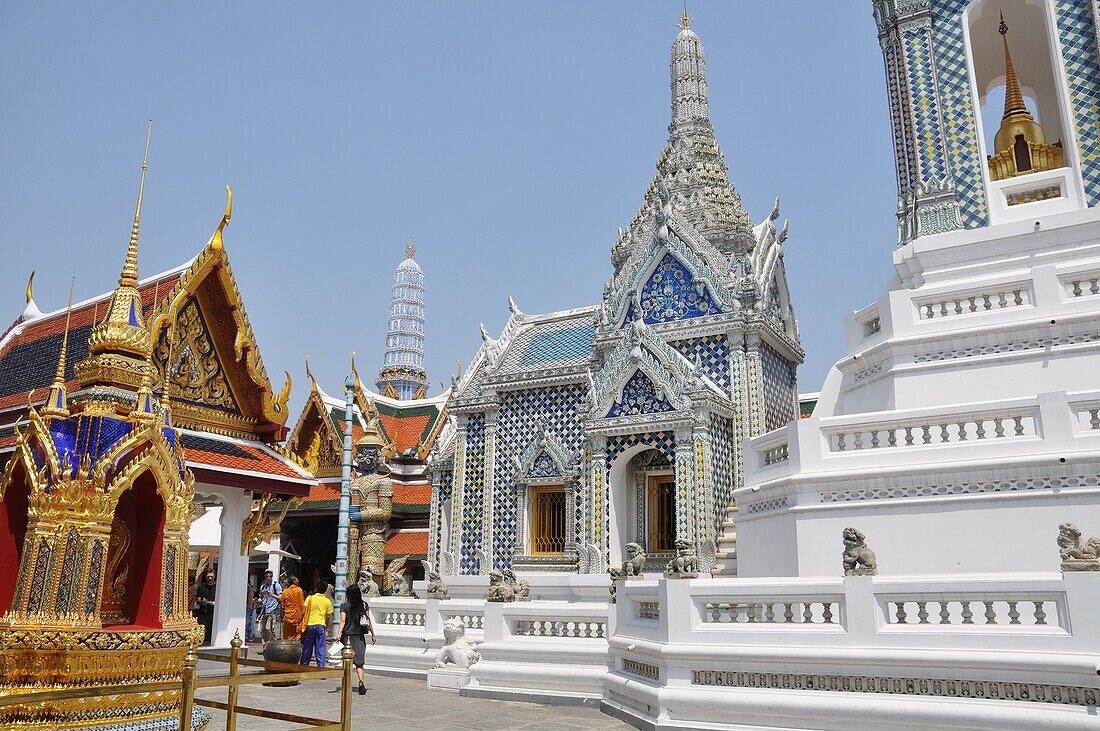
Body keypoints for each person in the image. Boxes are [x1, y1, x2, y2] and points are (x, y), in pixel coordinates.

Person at [336, 584, 376, 695]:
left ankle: (346, 683)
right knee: (359, 663)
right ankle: (361, 681)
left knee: (347, 662)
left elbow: (343, 621)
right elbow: (368, 621)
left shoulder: (344, 606)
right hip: (359, 637)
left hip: (347, 637)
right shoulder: (364, 605)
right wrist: (373, 634)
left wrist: (339, 634)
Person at [299, 580, 333, 667]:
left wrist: (299, 622)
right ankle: (321, 666)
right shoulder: (327, 601)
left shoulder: (310, 598)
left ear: (316, 588)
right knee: (320, 647)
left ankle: (304, 665)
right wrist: (328, 628)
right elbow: (328, 617)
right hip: (320, 625)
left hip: (309, 625)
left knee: (307, 647)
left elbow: (303, 611)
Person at [257, 570, 283, 644]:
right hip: (264, 610)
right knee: (262, 630)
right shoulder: (263, 586)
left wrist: (272, 595)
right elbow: (261, 597)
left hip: (273, 610)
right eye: (267, 576)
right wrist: (259, 600)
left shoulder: (276, 585)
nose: (269, 578)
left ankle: (273, 646)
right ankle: (265, 646)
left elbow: (280, 598)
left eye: (270, 576)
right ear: (265, 577)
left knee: (269, 629)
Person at [194, 571, 217, 645]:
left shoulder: (217, 587)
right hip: (203, 611)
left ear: (214, 577)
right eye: (208, 577)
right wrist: (203, 602)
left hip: (213, 612)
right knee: (202, 629)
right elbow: (197, 600)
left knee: (211, 630)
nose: (210, 578)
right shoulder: (201, 587)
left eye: (211, 577)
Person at [281, 575, 306, 641]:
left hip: (287, 617)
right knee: (297, 635)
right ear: (295, 582)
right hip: (297, 617)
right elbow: (302, 604)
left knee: (287, 636)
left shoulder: (285, 591)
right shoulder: (299, 590)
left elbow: (283, 605)